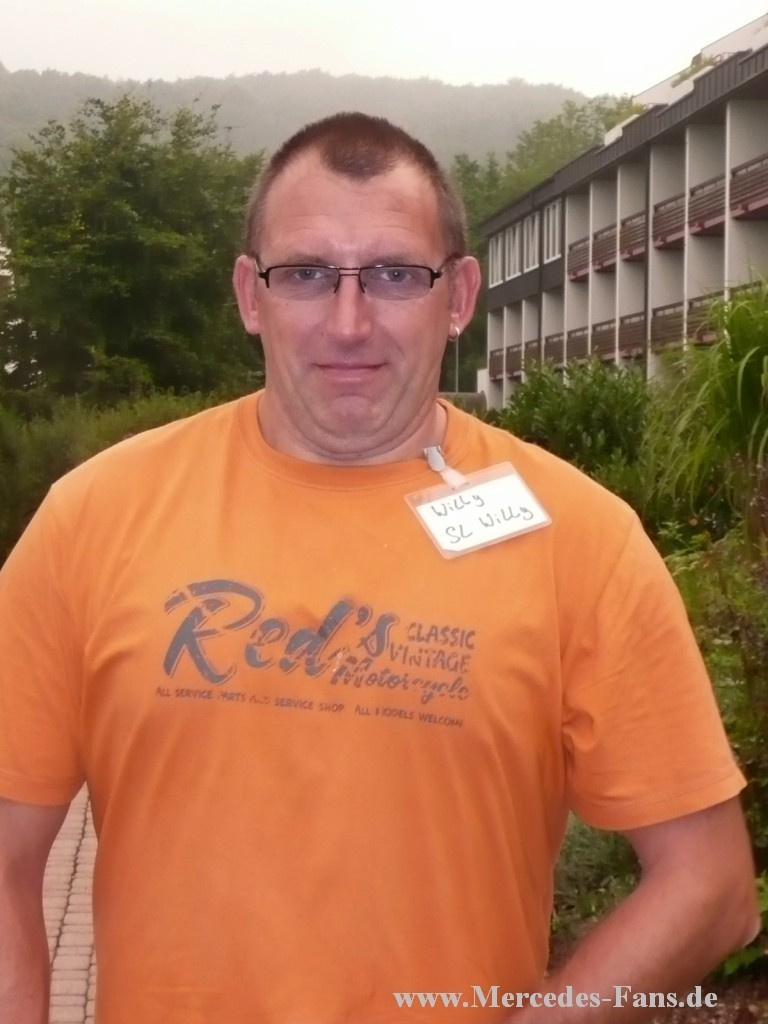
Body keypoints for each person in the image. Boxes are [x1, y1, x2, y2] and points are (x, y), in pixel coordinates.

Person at [0, 111, 759, 1024]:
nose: (349, 321)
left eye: (396, 275)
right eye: (306, 274)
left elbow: (710, 885)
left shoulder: (583, 540)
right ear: (250, 295)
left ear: (459, 295)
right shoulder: (95, 517)